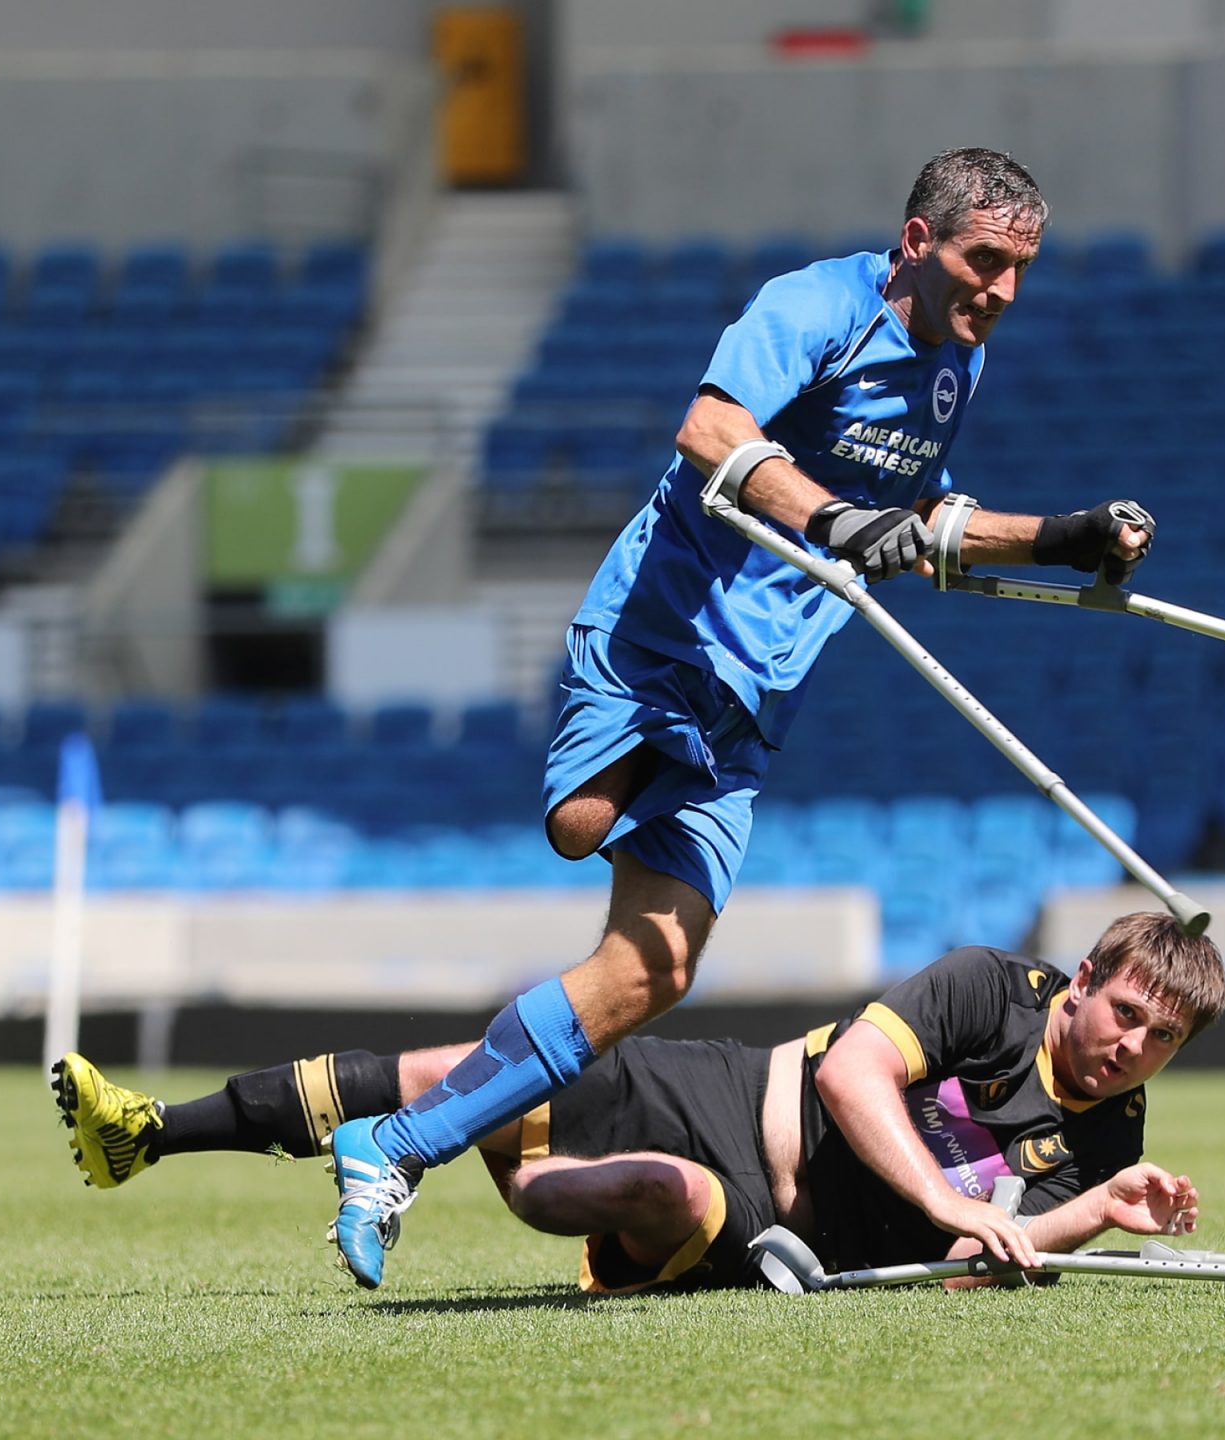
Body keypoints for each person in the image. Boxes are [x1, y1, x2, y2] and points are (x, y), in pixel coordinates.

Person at [308, 147, 1159, 1287]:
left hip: (750, 700)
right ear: (918, 242)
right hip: (659, 643)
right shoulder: (812, 306)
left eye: (1020, 271)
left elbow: (910, 528)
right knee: (578, 821)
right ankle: (390, 1129)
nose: (1001, 291)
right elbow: (711, 430)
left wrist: (1065, 537)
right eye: (983, 261)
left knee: (649, 977)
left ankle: (393, 1145)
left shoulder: (957, 367)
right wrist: (832, 517)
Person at [52, 913, 1225, 1292]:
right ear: (1080, 981)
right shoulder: (986, 987)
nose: (1133, 1048)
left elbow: (994, 1251)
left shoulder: (1108, 1131)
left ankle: (487, 1168)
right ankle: (149, 1136)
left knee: (652, 1189)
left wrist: (1102, 1207)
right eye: (1126, 1013)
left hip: (761, 1222)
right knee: (460, 1069)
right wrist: (941, 1194)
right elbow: (847, 1074)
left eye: (1162, 1041)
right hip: (720, 1082)